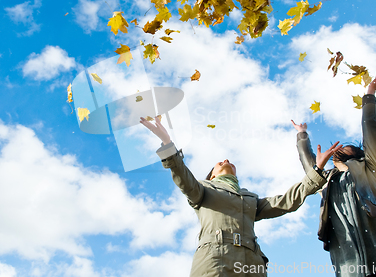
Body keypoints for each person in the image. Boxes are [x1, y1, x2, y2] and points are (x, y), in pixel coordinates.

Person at [140, 116, 342, 277]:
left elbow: (287, 201)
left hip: (252, 264)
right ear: (212, 175)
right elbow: (182, 176)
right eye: (220, 162)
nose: (226, 160)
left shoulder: (250, 199)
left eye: (228, 161)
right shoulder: (202, 190)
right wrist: (167, 143)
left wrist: (317, 169)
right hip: (215, 261)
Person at [292, 68, 376, 277]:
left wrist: (369, 95)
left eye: (348, 146)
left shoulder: (372, 171)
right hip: (351, 269)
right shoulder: (326, 181)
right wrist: (301, 135)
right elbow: (309, 167)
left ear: (360, 154)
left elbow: (371, 130)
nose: (341, 146)